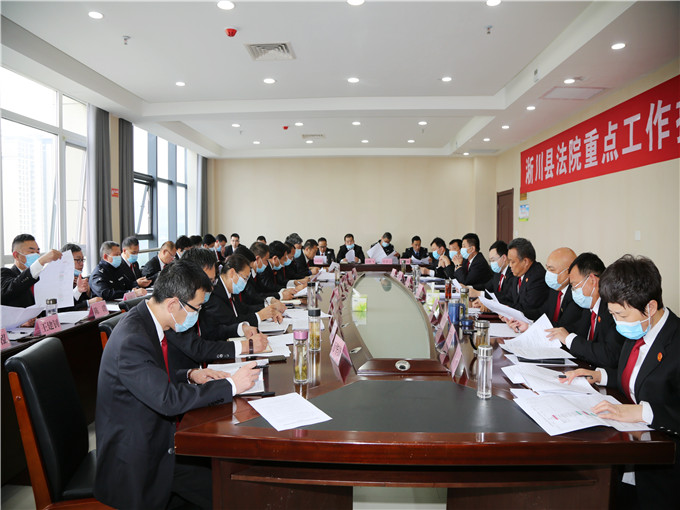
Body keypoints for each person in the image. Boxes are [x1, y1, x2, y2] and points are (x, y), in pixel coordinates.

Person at [94, 260, 260, 509]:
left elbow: (151, 377)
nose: (198, 314)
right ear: (173, 304)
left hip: (160, 437)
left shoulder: (149, 320)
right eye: (197, 308)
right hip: (140, 457)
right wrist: (232, 385)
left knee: (226, 476)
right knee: (226, 490)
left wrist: (189, 374)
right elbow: (167, 400)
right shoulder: (132, 339)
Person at [561, 255, 680, 509]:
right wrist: (599, 375)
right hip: (627, 457)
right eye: (612, 314)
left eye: (620, 315)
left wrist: (642, 411)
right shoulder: (637, 328)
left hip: (663, 474)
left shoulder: (675, 342)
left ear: (650, 307)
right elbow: (636, 376)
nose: (617, 323)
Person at [166, 248, 269, 372]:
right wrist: (244, 346)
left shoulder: (198, 303)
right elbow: (197, 348)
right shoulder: (175, 309)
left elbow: (212, 331)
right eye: (207, 281)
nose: (211, 288)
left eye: (212, 281)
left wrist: (241, 329)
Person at [544, 252, 624, 369]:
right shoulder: (587, 307)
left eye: (575, 285)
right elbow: (574, 331)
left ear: (592, 280)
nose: (573, 290)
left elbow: (609, 355)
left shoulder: (612, 309)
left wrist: (569, 339)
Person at [199, 254, 276, 340]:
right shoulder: (215, 294)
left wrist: (267, 309)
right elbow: (230, 321)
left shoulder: (231, 290)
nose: (245, 283)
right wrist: (259, 316)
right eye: (245, 278)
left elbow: (244, 309)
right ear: (232, 273)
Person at [1, 234, 62, 308]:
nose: (36, 255)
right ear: (16, 255)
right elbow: (11, 289)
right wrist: (40, 262)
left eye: (38, 252)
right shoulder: (5, 273)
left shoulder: (42, 276)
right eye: (32, 252)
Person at [504, 237, 549, 312]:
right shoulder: (518, 274)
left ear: (525, 262)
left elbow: (527, 308)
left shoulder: (537, 277)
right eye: (509, 262)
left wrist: (506, 310)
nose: (510, 265)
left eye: (512, 262)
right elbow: (508, 297)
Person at [469, 240, 516, 306]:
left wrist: (479, 293)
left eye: (493, 260)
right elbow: (486, 286)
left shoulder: (513, 272)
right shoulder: (498, 273)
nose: (492, 264)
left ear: (504, 258)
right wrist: (469, 287)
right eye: (490, 261)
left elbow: (505, 296)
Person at [61, 243, 96, 309]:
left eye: (82, 260)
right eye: (78, 260)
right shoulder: (59, 281)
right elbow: (65, 309)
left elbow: (84, 300)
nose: (82, 264)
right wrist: (87, 303)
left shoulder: (79, 277)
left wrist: (88, 292)